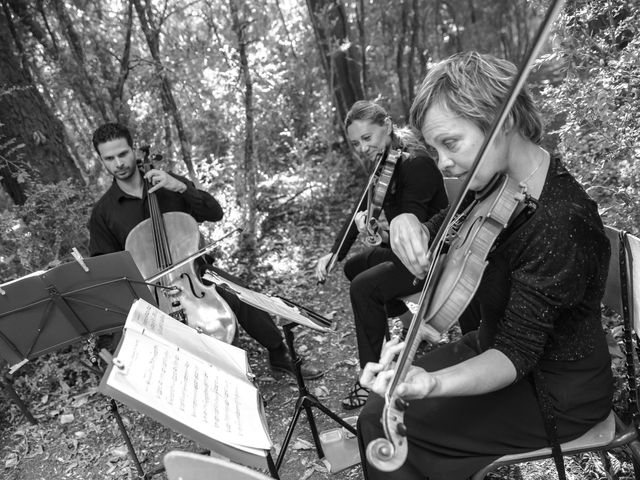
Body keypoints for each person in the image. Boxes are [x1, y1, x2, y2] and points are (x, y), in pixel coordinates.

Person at [357, 51, 614, 479]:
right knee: (376, 412)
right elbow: (443, 230)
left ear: (504, 121)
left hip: (555, 392)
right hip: (493, 344)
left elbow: (516, 354)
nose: (441, 162)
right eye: (434, 148)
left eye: (450, 143)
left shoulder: (560, 219)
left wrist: (432, 383)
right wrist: (407, 222)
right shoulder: (497, 184)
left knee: (389, 422)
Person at [88, 122, 322, 380]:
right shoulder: (103, 213)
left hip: (194, 273)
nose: (118, 163)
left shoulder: (168, 184)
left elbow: (214, 213)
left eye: (122, 154)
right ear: (102, 161)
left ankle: (280, 355)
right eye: (109, 158)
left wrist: (181, 188)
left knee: (240, 294)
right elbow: (106, 265)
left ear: (133, 150)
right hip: (150, 291)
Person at [314, 100, 448, 410]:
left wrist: (384, 230)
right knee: (354, 267)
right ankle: (409, 318)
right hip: (403, 251)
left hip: (429, 255)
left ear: (386, 127)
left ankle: (373, 375)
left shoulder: (416, 164)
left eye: (367, 138)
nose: (362, 148)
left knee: (364, 287)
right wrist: (334, 253)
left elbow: (413, 227)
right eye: (356, 143)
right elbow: (359, 210)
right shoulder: (385, 163)